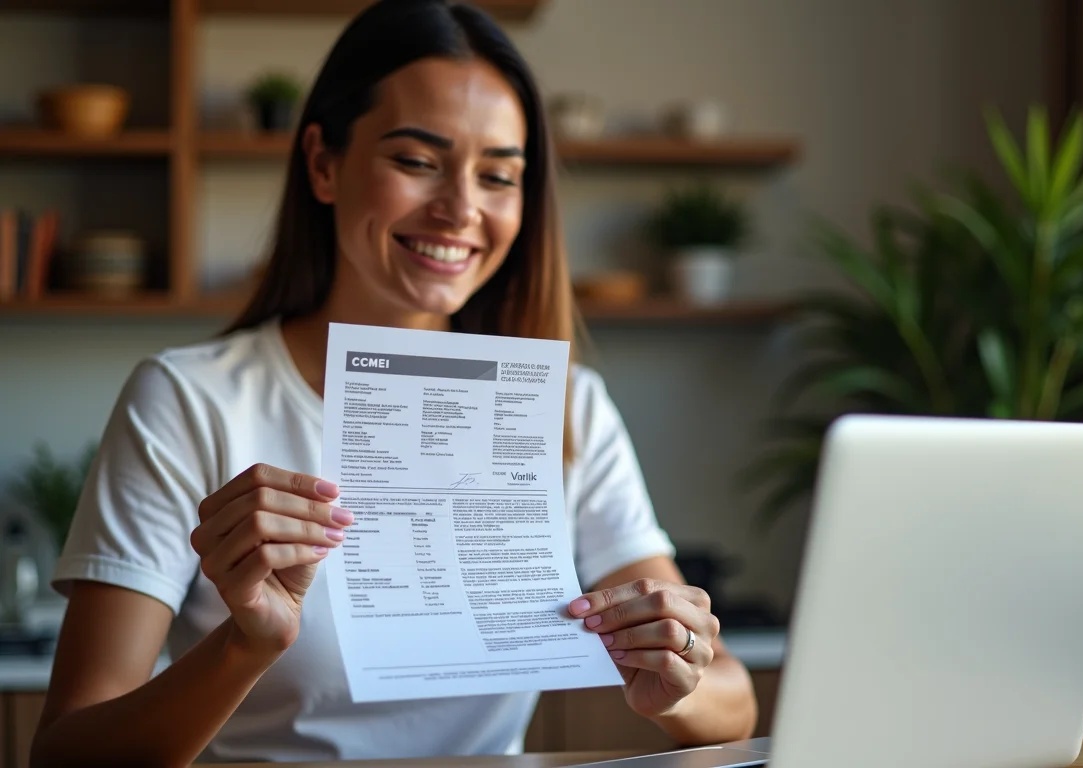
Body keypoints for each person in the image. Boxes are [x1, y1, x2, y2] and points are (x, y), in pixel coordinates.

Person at [28, 1, 757, 764]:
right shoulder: (189, 400)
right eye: (416, 161)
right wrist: (246, 645)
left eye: (500, 175)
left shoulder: (566, 408)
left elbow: (733, 703)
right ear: (323, 162)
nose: (461, 209)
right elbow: (68, 751)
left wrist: (677, 678)